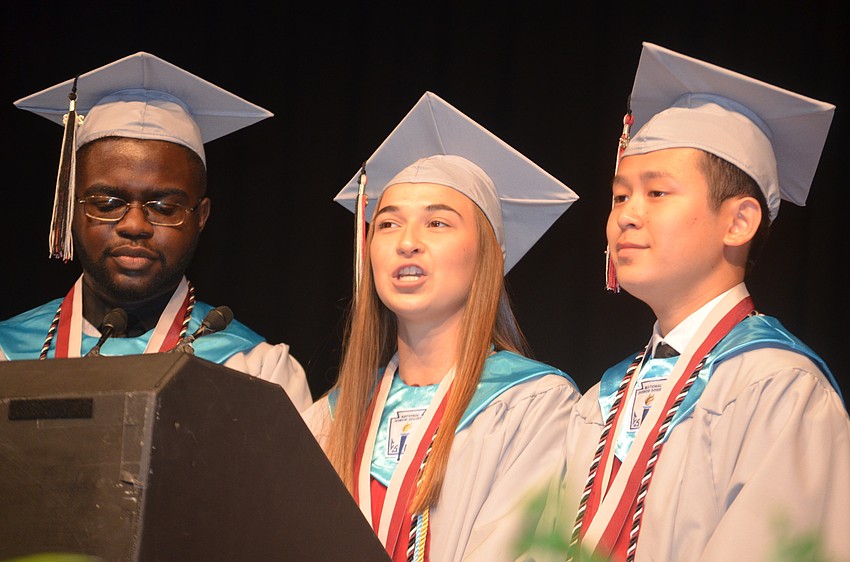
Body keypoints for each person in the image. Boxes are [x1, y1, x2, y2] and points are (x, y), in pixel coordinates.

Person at [562, 43, 850, 562]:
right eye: (620, 195)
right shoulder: (599, 402)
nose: (625, 215)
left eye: (656, 193)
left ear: (739, 222)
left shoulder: (777, 390)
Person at [304, 91, 580, 561]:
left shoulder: (533, 407)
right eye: (388, 224)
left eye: (437, 223)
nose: (407, 242)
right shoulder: (328, 418)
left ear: (487, 256)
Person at [0, 52, 312, 412]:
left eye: (164, 208)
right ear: (71, 206)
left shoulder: (258, 372)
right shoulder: (10, 353)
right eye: (107, 203)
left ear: (202, 217)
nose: (134, 225)